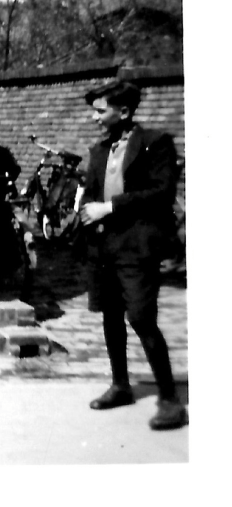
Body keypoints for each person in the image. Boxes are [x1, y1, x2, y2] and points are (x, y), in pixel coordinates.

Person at [78, 80, 187, 431]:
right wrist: (85, 211)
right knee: (111, 316)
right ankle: (120, 385)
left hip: (137, 246)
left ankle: (170, 400)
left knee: (140, 317)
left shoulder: (156, 142)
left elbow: (161, 192)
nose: (94, 117)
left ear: (123, 111)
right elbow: (90, 193)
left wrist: (109, 207)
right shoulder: (99, 150)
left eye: (100, 111)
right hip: (104, 247)